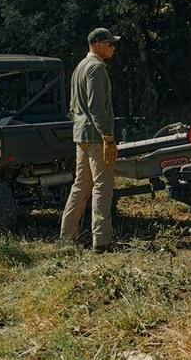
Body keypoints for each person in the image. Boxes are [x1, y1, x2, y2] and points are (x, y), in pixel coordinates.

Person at [60, 27, 120, 253]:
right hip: (95, 136)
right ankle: (102, 242)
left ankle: (67, 237)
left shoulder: (80, 67)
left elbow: (74, 106)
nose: (113, 48)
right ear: (97, 44)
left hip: (81, 136)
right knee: (102, 188)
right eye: (110, 44)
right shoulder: (95, 68)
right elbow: (97, 108)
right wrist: (108, 138)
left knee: (81, 187)